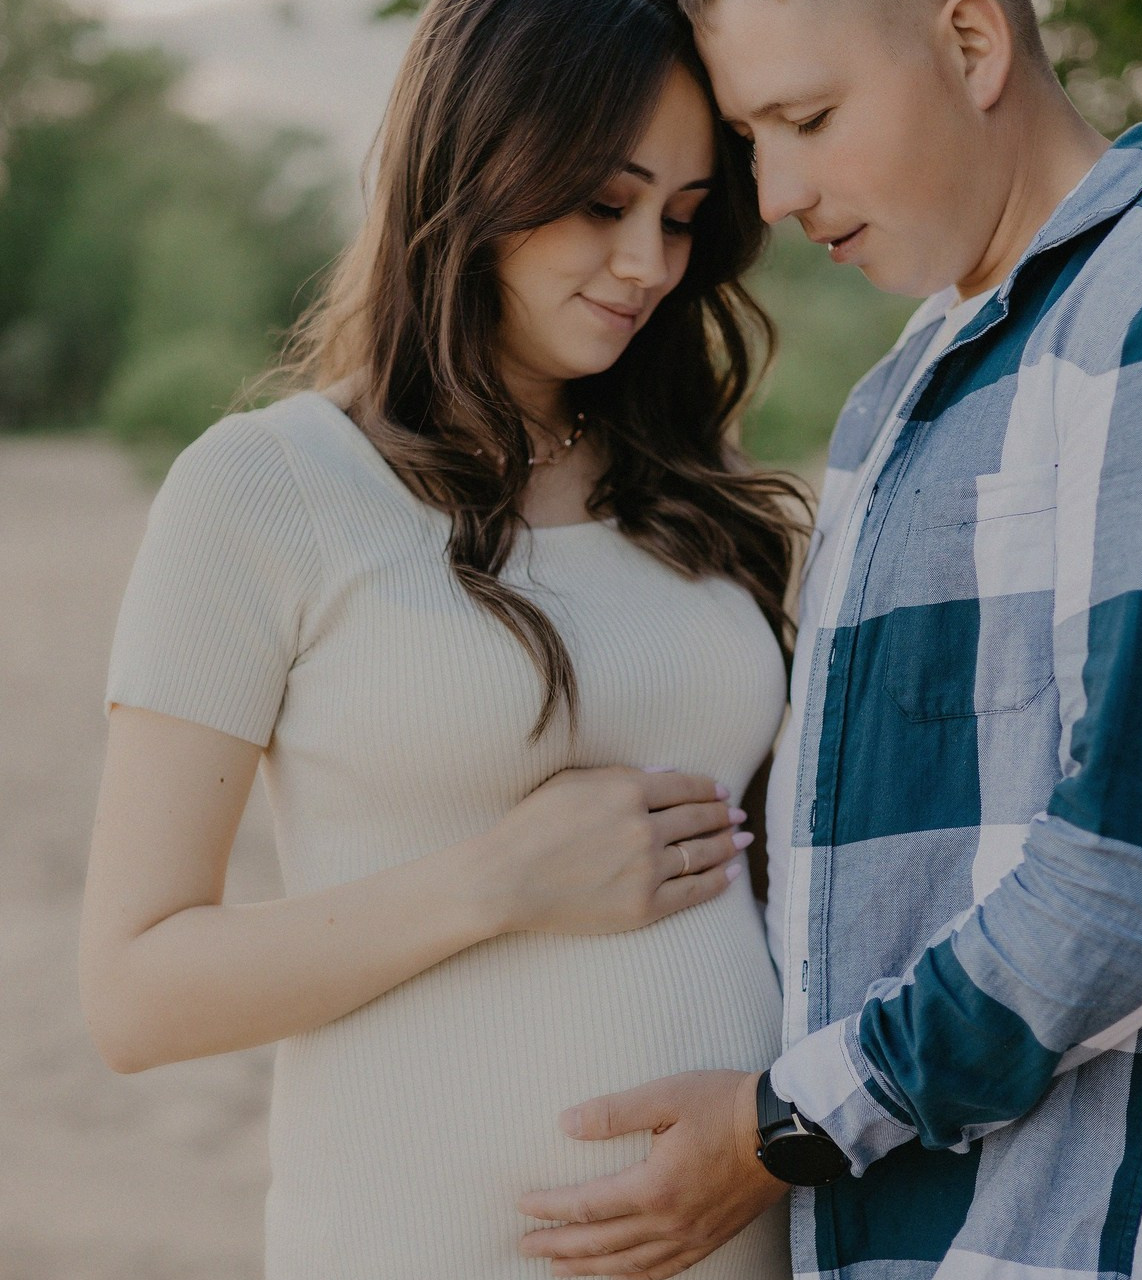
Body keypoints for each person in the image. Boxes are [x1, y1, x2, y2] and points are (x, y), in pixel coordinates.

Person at [517, 1, 1142, 1277]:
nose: (776, 195)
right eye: (753, 139)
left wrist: (783, 1125)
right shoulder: (900, 388)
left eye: (809, 121)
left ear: (971, 43)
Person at [78, 0, 808, 1274]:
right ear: (473, 170)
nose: (646, 261)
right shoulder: (268, 487)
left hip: (744, 1240)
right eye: (601, 201)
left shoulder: (696, 492)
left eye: (682, 215)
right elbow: (134, 993)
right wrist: (496, 883)